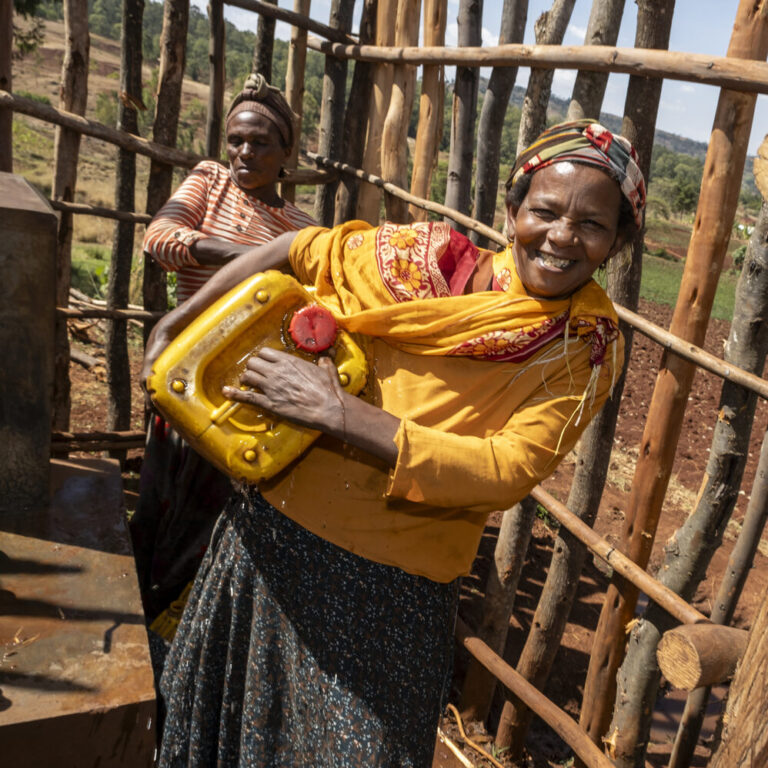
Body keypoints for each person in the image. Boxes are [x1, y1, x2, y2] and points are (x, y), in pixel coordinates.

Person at [142, 119, 645, 767]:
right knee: (231, 741)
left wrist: (336, 412)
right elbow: (299, 247)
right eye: (544, 211)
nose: (562, 238)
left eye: (592, 226)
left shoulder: (581, 344)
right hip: (270, 542)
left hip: (390, 598)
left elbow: (506, 468)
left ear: (617, 243)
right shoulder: (425, 260)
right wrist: (178, 321)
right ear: (513, 208)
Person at [131, 73, 316, 627]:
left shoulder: (302, 226)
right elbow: (160, 238)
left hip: (250, 389)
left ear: (286, 153)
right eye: (235, 139)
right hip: (185, 372)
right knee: (160, 499)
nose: (243, 152)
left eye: (259, 143)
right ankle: (144, 609)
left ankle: (183, 630)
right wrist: (251, 258)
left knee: (218, 515)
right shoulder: (209, 181)